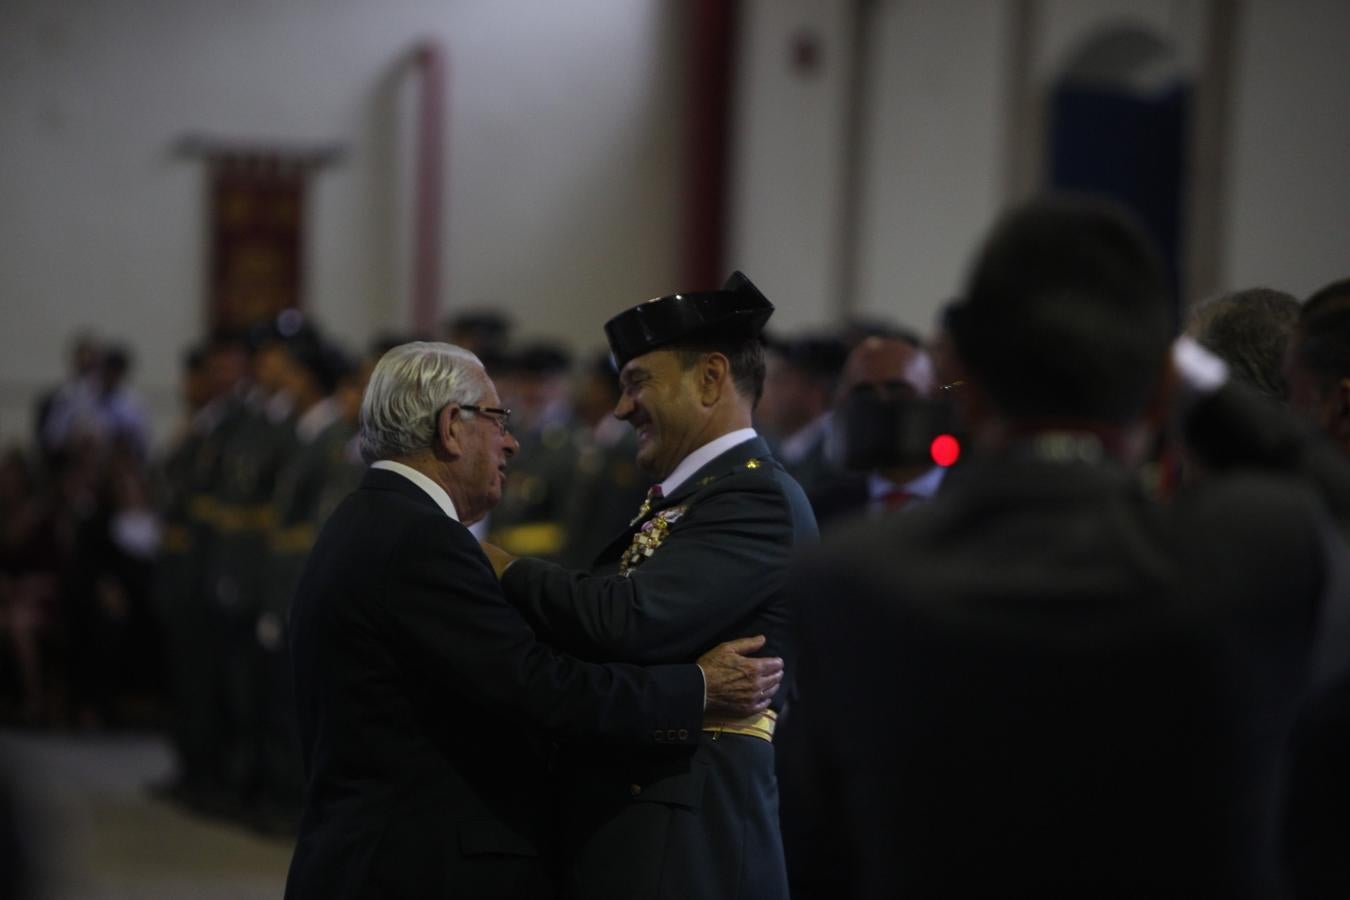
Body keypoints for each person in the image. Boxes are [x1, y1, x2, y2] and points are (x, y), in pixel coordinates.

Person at [782, 196, 1350, 899]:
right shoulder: (1248, 551)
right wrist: (1190, 380)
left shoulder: (849, 580)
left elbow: (817, 855)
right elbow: (1335, 494)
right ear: (1156, 395)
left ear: (967, 385)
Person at [284, 341, 783, 900]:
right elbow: (540, 688)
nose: (512, 442)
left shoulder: (366, 519)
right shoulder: (422, 541)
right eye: (498, 420)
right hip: (416, 869)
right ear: (452, 427)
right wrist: (694, 690)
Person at [481, 272, 818, 900]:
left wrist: (500, 565)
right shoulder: (697, 498)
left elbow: (626, 619)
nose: (620, 407)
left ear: (711, 378)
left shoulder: (755, 498)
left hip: (687, 842)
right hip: (647, 823)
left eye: (638, 382)